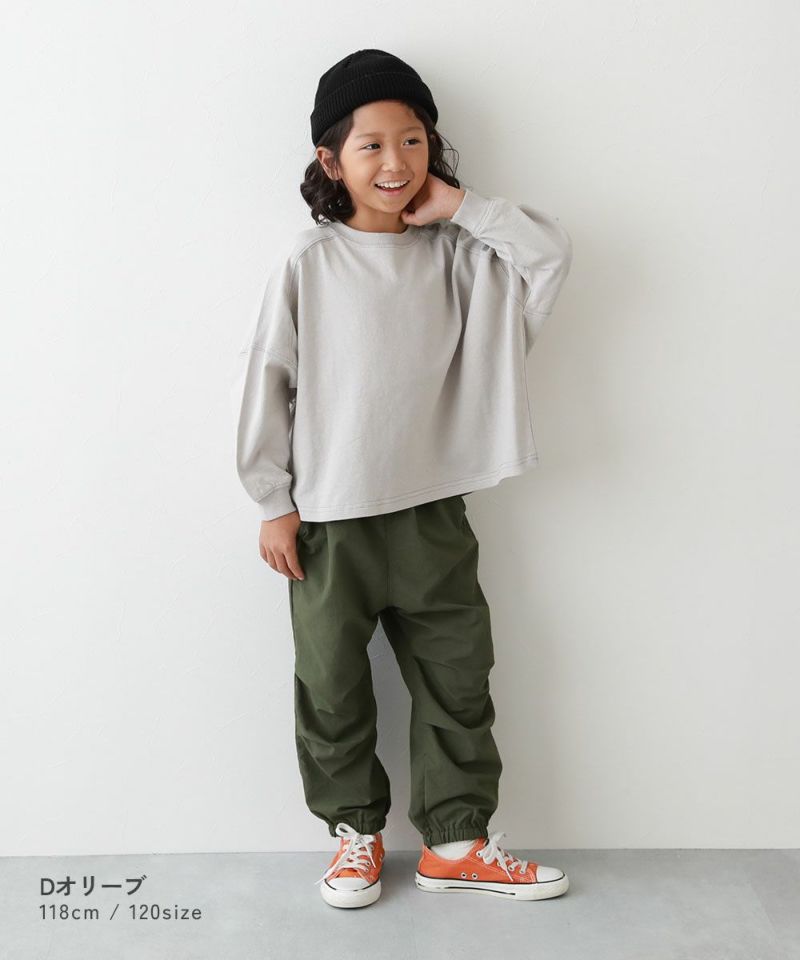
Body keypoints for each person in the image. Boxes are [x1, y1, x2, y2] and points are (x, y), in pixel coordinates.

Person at [232, 48, 573, 909]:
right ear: (330, 159)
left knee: (458, 677)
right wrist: (273, 502)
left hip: (431, 513)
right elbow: (268, 379)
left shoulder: (463, 259)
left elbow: (548, 255)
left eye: (414, 140)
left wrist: (462, 208)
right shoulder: (309, 263)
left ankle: (456, 843)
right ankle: (355, 835)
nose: (396, 162)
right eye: (372, 145)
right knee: (332, 686)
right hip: (328, 519)